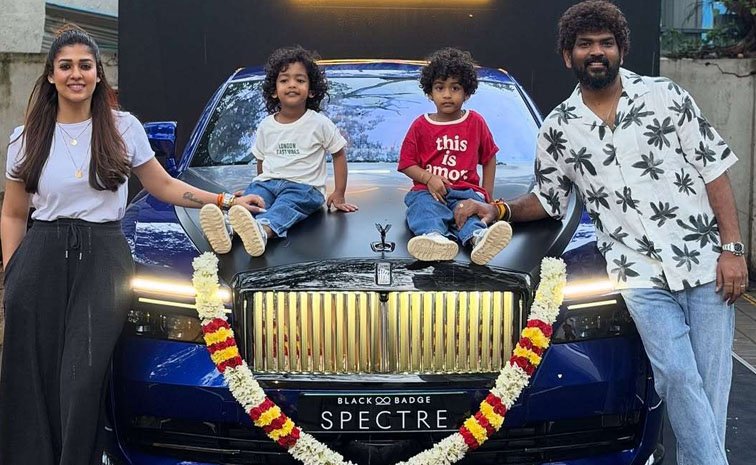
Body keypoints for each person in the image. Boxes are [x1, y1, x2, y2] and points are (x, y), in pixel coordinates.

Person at [456, 2, 746, 464]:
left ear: (620, 50)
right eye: (585, 44)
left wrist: (732, 249)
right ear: (567, 55)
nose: (597, 52)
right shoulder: (559, 128)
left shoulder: (665, 96)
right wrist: (499, 209)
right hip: (637, 272)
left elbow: (714, 170)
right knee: (676, 377)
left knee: (711, 388)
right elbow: (548, 199)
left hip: (703, 259)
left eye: (606, 43)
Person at [0, 25, 265, 465]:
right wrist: (12, 274)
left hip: (102, 257)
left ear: (98, 74)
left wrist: (224, 200)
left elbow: (163, 185)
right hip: (40, 256)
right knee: (32, 375)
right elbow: (12, 213)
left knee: (84, 375)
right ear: (50, 75)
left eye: (85, 65)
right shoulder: (24, 137)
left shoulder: (123, 127)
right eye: (65, 66)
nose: (76, 74)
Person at [199, 46, 357, 257]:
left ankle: (263, 231)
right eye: (284, 80)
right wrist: (256, 187)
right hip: (268, 182)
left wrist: (339, 193)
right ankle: (227, 228)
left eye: (300, 80)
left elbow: (338, 154)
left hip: (304, 188)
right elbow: (261, 160)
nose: (292, 84)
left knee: (285, 206)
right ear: (274, 91)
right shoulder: (266, 125)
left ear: (311, 90)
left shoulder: (319, 123)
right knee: (253, 202)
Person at [397, 47, 511, 265]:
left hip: (465, 193)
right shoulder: (421, 125)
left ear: (467, 92)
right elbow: (406, 163)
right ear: (430, 92)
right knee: (423, 210)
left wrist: (486, 196)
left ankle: (479, 239)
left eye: (455, 88)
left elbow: (489, 157)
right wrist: (429, 178)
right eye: (440, 87)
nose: (447, 94)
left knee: (469, 215)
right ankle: (435, 239)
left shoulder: (475, 122)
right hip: (428, 192)